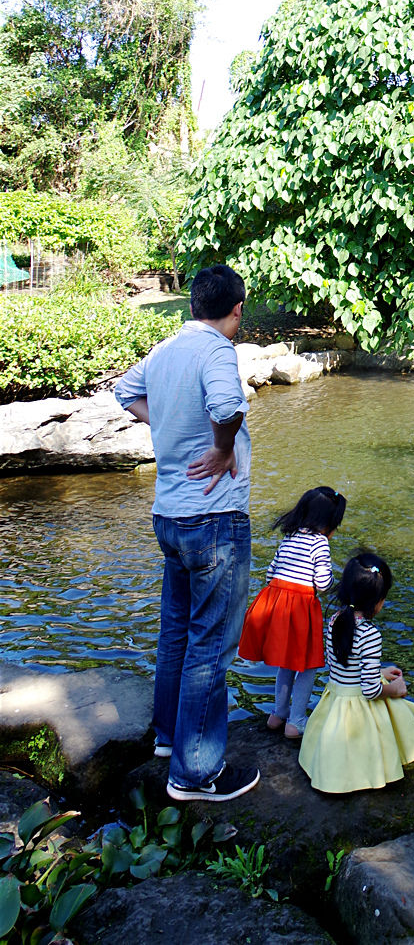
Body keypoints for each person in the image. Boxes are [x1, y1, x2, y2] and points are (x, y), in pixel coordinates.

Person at [114, 263, 260, 803]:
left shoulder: (165, 349)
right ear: (236, 308)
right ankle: (195, 773)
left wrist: (167, 424)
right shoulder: (218, 351)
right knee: (210, 644)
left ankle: (169, 739)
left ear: (193, 303)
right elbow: (226, 407)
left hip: (169, 518)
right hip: (214, 520)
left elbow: (122, 393)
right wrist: (221, 447)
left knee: (176, 631)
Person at [299, 552, 414, 793]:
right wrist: (393, 689)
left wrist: (380, 670)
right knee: (395, 709)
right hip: (357, 709)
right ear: (378, 601)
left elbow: (344, 666)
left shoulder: (335, 620)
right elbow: (370, 690)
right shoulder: (370, 634)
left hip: (336, 700)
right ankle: (371, 771)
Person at [238, 485, 347, 738]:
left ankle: (278, 713)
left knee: (285, 664)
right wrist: (337, 586)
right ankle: (296, 721)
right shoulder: (319, 543)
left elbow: (269, 574)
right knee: (307, 666)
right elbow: (321, 583)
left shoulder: (290, 537)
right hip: (300, 610)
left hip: (275, 603)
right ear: (328, 523)